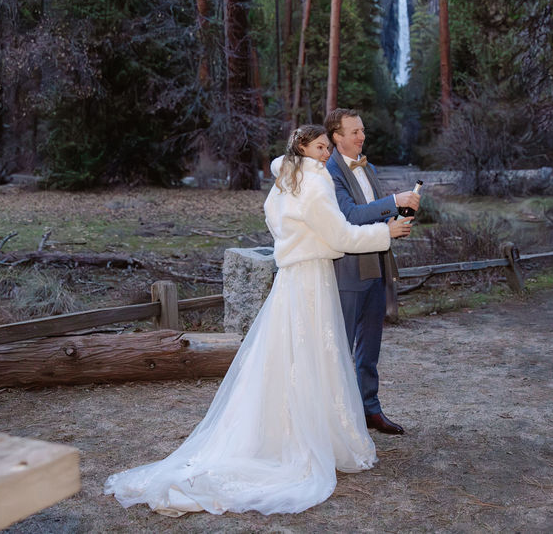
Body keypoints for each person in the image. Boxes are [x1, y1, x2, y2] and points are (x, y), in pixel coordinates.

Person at [104, 125, 412, 516]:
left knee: (285, 355)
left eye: (325, 147)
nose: (324, 154)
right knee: (314, 354)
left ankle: (280, 431)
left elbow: (279, 226)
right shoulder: (315, 183)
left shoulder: (282, 183)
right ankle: (310, 439)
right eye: (319, 147)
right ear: (303, 146)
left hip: (290, 279)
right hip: (312, 278)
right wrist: (385, 232)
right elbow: (341, 238)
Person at [323, 108, 420, 435]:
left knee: (370, 350)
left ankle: (370, 410)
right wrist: (394, 199)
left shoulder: (370, 168)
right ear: (337, 137)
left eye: (362, 130)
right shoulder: (330, 173)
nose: (361, 136)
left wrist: (399, 220)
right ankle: (337, 421)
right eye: (354, 132)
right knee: (340, 349)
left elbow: (375, 216)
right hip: (348, 273)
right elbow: (349, 215)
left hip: (377, 267)